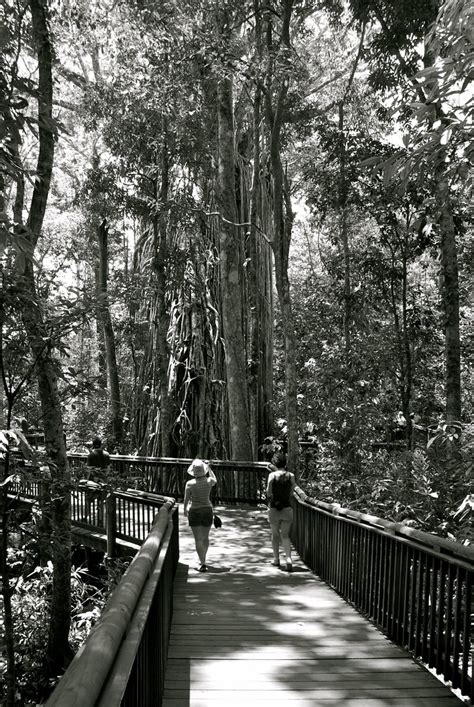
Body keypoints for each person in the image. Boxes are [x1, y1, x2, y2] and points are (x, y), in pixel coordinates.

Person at [183, 458, 217, 573]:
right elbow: (215, 480)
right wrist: (209, 468)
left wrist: (184, 510)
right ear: (204, 470)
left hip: (195, 511)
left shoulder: (190, 484)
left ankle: (202, 562)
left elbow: (186, 499)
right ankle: (203, 559)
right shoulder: (209, 481)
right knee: (205, 537)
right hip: (207, 510)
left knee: (198, 539)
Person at [266, 454, 296, 572]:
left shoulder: (272, 475)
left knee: (275, 534)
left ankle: (276, 559)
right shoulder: (291, 476)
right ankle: (288, 559)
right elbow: (292, 492)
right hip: (287, 508)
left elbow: (268, 492)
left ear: (275, 464)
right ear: (285, 463)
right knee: (285, 535)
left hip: (274, 508)